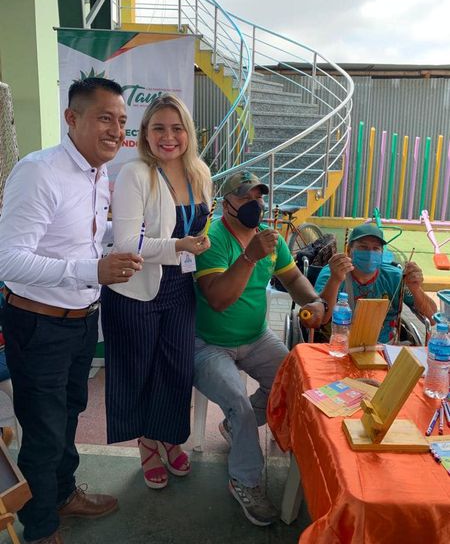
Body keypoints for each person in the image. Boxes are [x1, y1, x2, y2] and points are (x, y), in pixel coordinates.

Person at [0, 77, 143, 544]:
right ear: (72, 118)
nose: (115, 130)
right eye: (104, 118)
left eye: (121, 121)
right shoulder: (39, 172)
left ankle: (62, 495)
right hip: (38, 322)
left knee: (68, 415)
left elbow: (81, 238)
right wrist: (91, 269)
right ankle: (41, 528)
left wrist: (134, 241)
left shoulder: (99, 175)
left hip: (82, 319)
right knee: (43, 430)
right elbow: (8, 259)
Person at [193, 170, 326, 526]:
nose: (256, 204)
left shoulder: (270, 239)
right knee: (239, 403)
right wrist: (249, 257)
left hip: (256, 337)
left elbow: (293, 278)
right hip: (209, 343)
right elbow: (218, 300)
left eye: (259, 197)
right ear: (226, 204)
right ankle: (245, 480)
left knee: (295, 380)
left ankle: (237, 427)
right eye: (245, 197)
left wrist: (314, 301)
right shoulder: (212, 239)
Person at [101, 94, 212, 490]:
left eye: (177, 128)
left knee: (176, 368)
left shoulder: (200, 173)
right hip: (136, 291)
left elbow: (202, 223)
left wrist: (198, 244)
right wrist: (179, 246)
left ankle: (167, 435)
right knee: (139, 371)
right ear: (145, 133)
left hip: (180, 287)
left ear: (188, 133)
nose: (169, 137)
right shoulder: (134, 173)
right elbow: (126, 244)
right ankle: (147, 443)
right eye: (159, 128)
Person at [315, 223, 437, 342]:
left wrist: (416, 289)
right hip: (340, 345)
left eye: (376, 248)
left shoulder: (394, 277)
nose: (370, 253)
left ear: (382, 253)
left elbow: (432, 317)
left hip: (385, 348)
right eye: (363, 247)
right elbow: (320, 318)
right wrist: (335, 280)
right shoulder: (332, 273)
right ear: (349, 250)